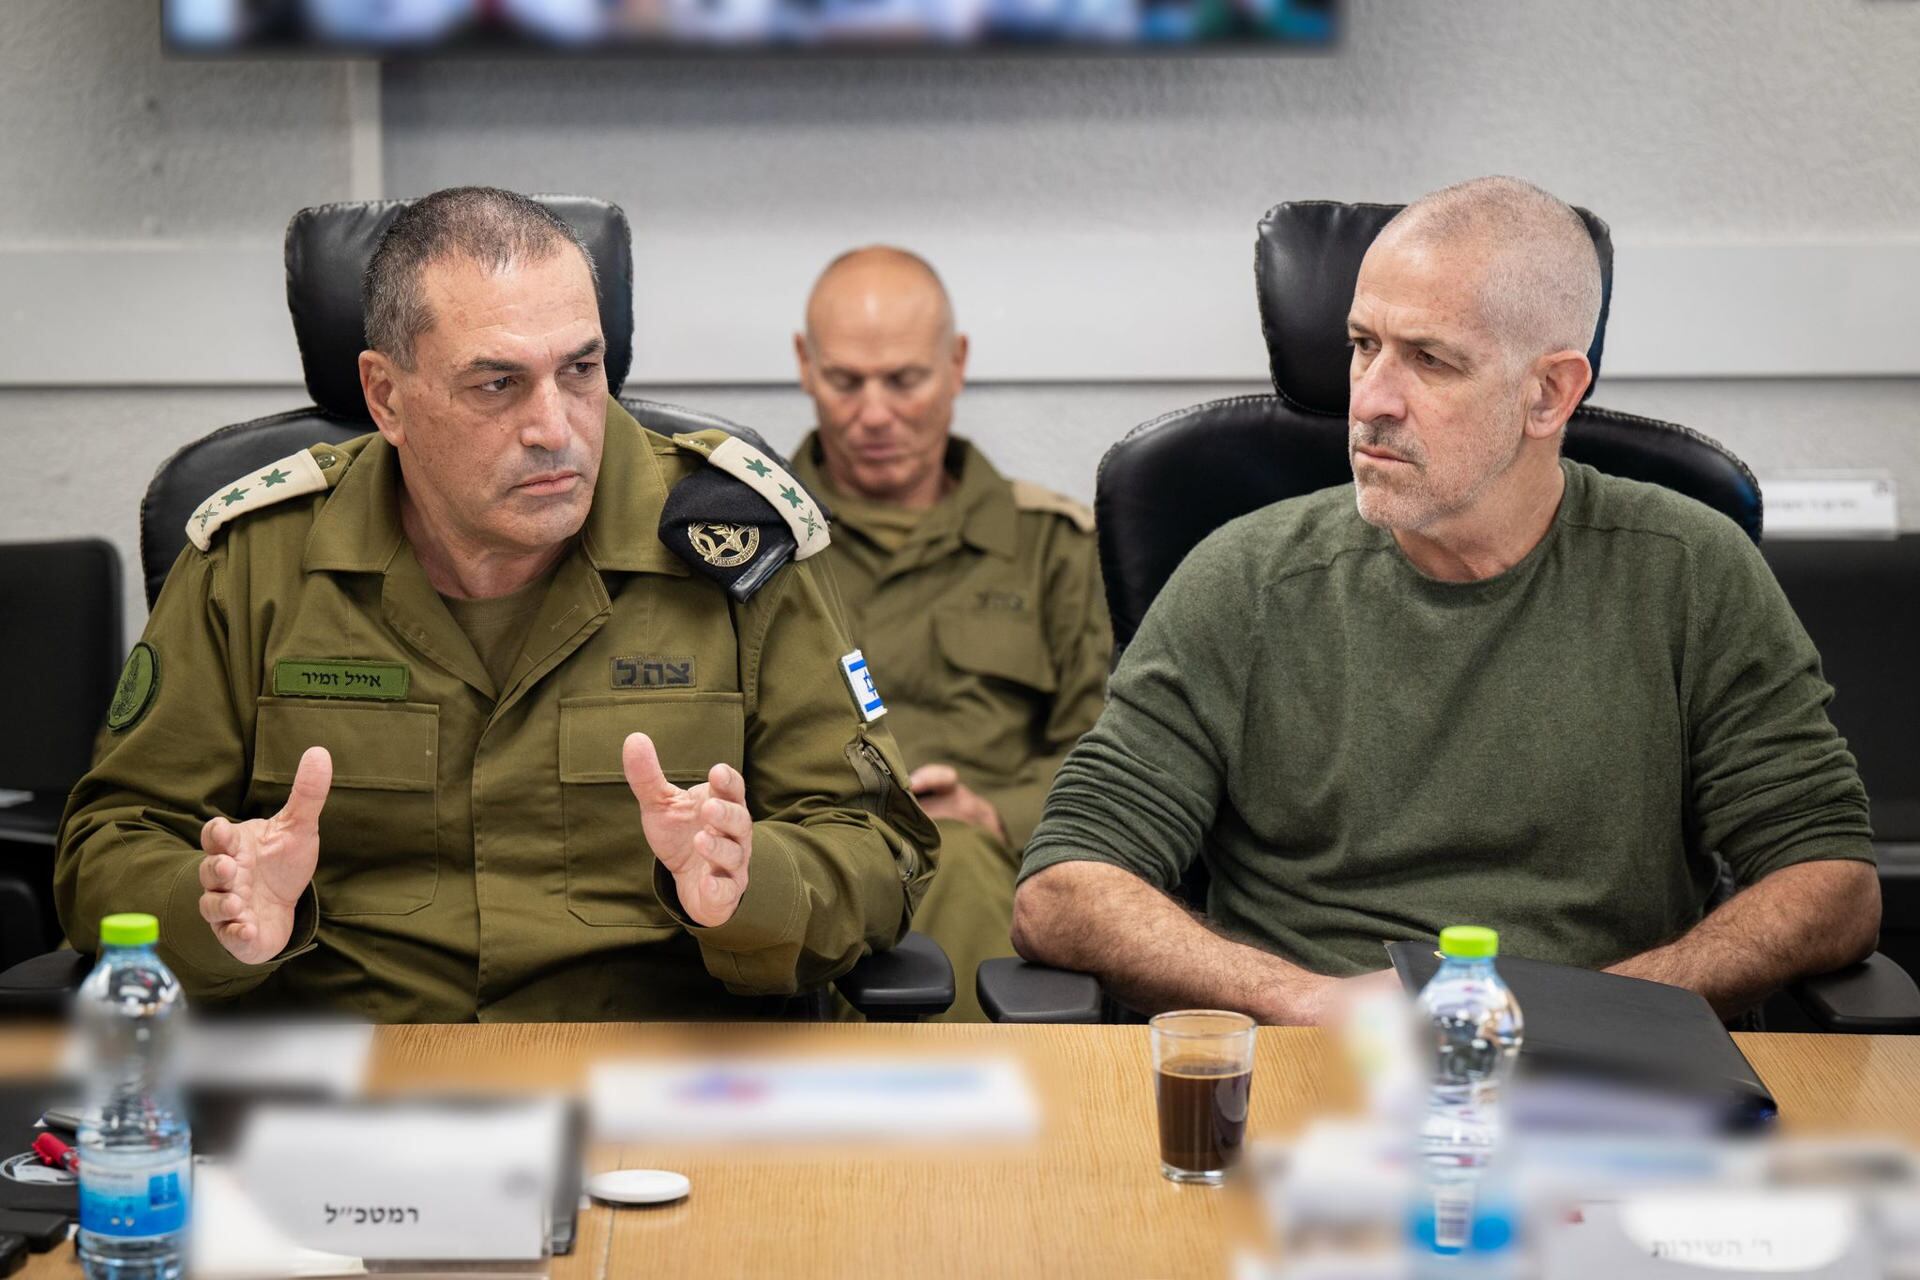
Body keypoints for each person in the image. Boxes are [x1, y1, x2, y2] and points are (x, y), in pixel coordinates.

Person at [1011, 177, 1879, 1024]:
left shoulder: (1687, 571)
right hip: (1318, 1063)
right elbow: (1063, 889)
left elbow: (1833, 886)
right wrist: (1302, 1002)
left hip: (1603, 1074)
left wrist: (1597, 1014)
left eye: (1429, 360)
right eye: (1362, 346)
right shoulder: (1247, 579)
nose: (1372, 401)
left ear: (1549, 393)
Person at [56, 187, 937, 1022]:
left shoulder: (736, 545)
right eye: (496, 384)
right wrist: (210, 906)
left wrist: (753, 885)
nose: (555, 426)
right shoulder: (257, 560)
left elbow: (882, 847)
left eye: (581, 370)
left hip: (658, 1072)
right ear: (386, 397)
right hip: (357, 1080)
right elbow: (111, 842)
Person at [791, 246, 1111, 1020]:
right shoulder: (758, 547)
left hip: (987, 867)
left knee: (955, 857)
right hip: (808, 856)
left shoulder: (1052, 546)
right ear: (804, 366)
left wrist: (995, 811)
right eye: (844, 382)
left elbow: (1108, 754)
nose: (873, 414)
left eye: (904, 381)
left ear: (957, 364)